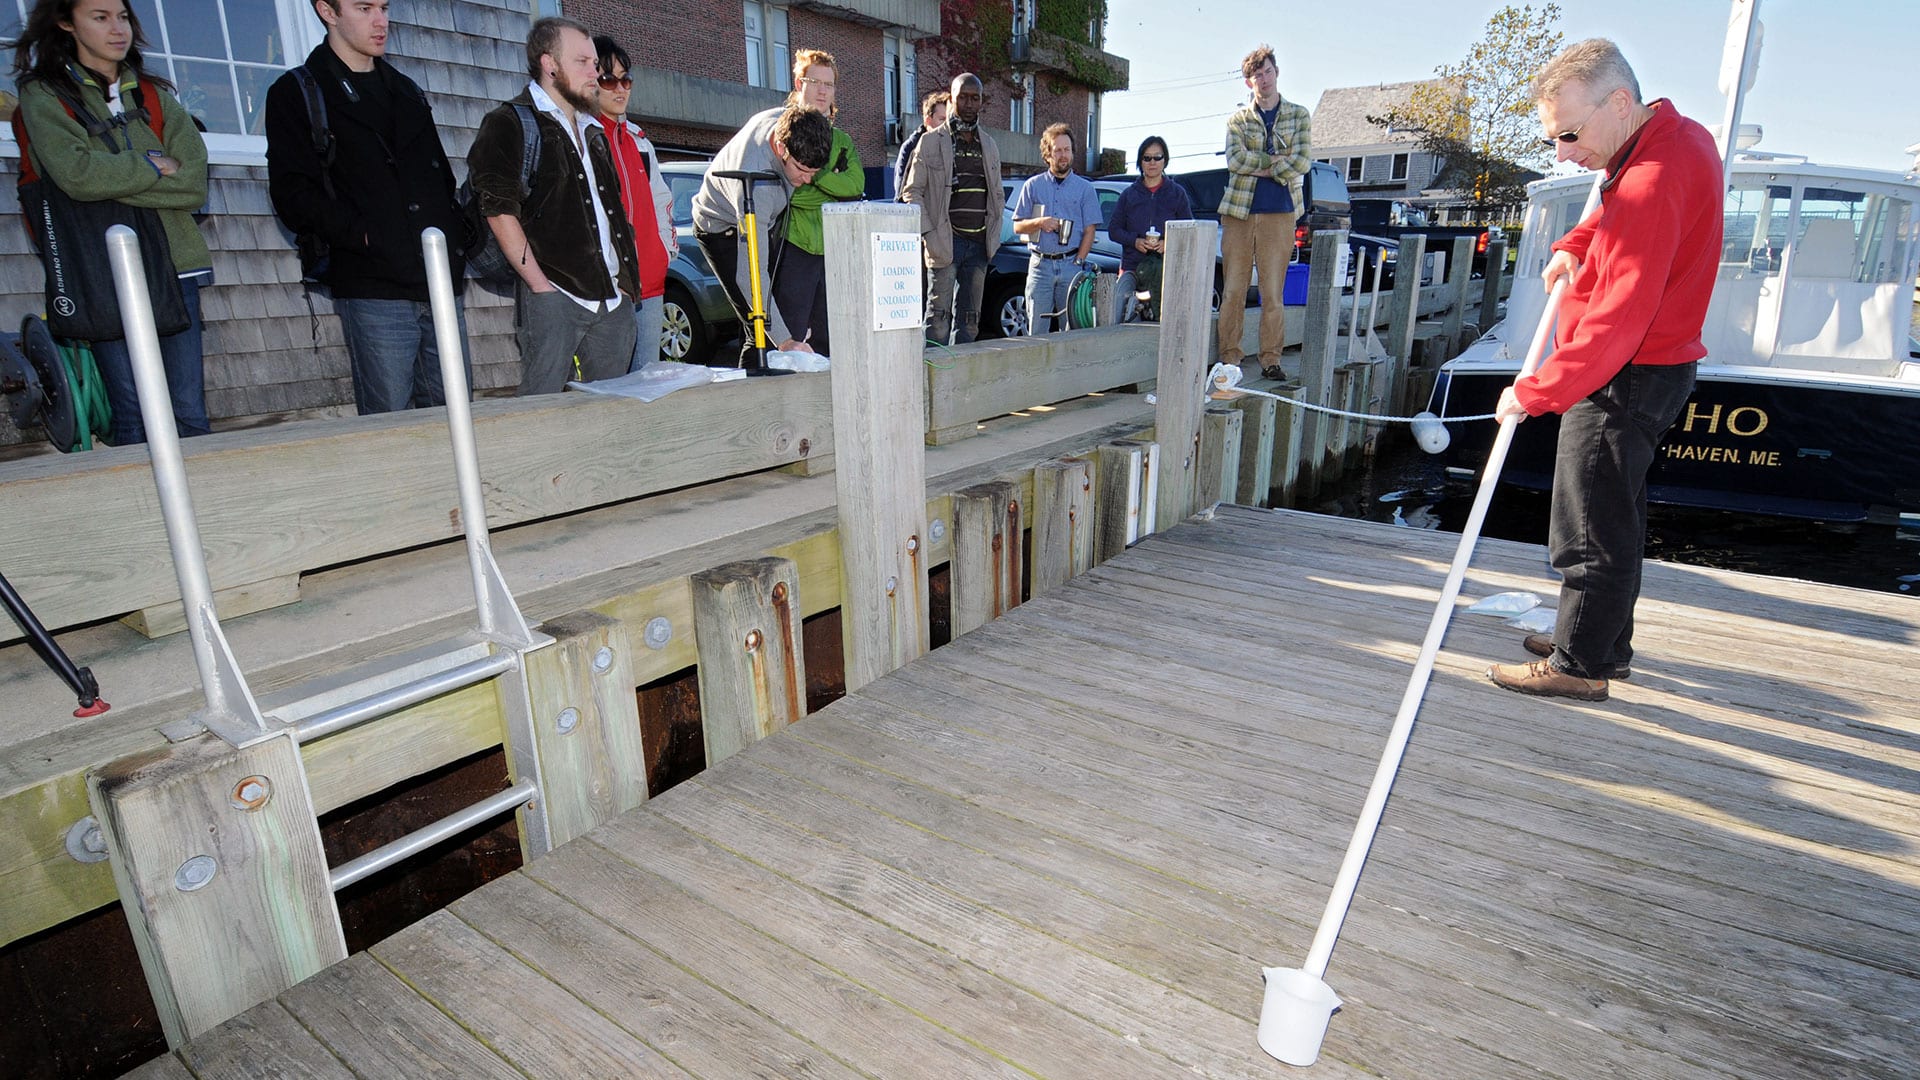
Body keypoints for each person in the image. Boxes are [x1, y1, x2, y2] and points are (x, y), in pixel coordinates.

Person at [1485, 38, 1722, 702]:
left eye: (1568, 133)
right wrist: (1572, 245)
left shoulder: (1650, 176)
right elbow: (1614, 223)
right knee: (1616, 516)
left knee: (1587, 524)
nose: (1562, 151)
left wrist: (1535, 391)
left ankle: (1579, 664)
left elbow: (1617, 319)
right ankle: (1599, 642)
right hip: (1655, 369)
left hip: (1627, 374)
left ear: (1618, 103)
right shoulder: (1672, 141)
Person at [11, 0, 210, 445]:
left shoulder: (156, 95)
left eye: (122, 16)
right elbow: (76, 175)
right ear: (67, 22)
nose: (117, 28)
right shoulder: (44, 96)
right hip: (102, 275)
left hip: (177, 267)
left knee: (189, 414)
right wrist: (153, 164)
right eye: (99, 17)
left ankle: (212, 513)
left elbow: (194, 182)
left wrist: (111, 175)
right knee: (133, 415)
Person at [265, 0, 470, 415]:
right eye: (364, 8)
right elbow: (292, 193)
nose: (381, 21)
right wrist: (363, 235)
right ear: (327, 11)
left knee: (457, 418)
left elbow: (441, 181)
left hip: (440, 282)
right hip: (373, 285)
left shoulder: (408, 90)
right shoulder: (298, 92)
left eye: (384, 7)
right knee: (389, 425)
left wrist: (458, 234)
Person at [468, 16, 638, 395]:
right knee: (540, 414)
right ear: (549, 65)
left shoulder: (593, 129)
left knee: (611, 420)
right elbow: (497, 209)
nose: (594, 73)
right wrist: (541, 289)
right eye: (582, 62)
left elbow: (611, 212)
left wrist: (624, 289)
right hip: (555, 296)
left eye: (594, 63)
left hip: (612, 302)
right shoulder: (507, 122)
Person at [691, 104, 833, 362]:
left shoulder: (792, 122)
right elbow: (750, 275)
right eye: (802, 171)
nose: (808, 181)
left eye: (814, 173)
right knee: (757, 329)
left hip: (760, 217)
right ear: (781, 148)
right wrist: (784, 341)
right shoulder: (757, 186)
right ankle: (754, 396)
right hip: (719, 227)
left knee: (772, 316)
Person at [1218, 43, 1310, 381]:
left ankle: (1271, 359)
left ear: (1276, 73)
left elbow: (1302, 162)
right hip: (1239, 213)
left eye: (1268, 71)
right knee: (1233, 291)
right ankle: (1230, 358)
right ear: (1248, 83)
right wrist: (1274, 163)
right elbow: (1235, 161)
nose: (1264, 79)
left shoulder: (1298, 115)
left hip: (1281, 213)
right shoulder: (1237, 120)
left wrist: (1259, 166)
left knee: (1273, 293)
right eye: (1257, 75)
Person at [772, 48, 862, 357]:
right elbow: (794, 194)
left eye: (830, 84)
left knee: (829, 338)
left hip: (832, 249)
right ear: (799, 84)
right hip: (793, 245)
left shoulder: (843, 140)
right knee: (790, 340)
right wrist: (830, 180)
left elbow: (855, 187)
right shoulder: (780, 128)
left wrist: (816, 176)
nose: (823, 90)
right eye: (815, 81)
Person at [592, 34, 674, 371]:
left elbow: (660, 198)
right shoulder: (584, 137)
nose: (620, 88)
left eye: (626, 79)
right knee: (611, 385)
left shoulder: (639, 139)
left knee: (648, 379)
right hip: (611, 287)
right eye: (609, 80)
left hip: (651, 282)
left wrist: (665, 252)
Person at [902, 72, 1001, 347]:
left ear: (981, 101)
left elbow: (997, 195)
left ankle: (961, 385)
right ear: (952, 98)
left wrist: (993, 234)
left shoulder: (990, 145)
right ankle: (932, 384)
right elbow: (911, 191)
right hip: (945, 242)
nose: (969, 104)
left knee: (970, 322)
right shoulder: (931, 141)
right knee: (937, 320)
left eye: (975, 98)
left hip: (980, 244)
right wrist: (929, 233)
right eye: (962, 97)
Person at [1010, 122, 1100, 336]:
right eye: (1057, 150)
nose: (1063, 155)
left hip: (1071, 266)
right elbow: (1017, 226)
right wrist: (1039, 223)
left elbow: (1090, 230)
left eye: (1067, 150)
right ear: (1048, 154)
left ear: (1072, 153)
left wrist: (1078, 261)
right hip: (1039, 267)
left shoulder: (1085, 189)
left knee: (1070, 332)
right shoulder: (1032, 186)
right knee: (1036, 332)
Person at [1106, 134, 1192, 320]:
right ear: (1140, 162)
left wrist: (1168, 244)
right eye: (1147, 158)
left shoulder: (1177, 194)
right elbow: (1114, 230)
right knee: (1127, 323)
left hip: (1167, 272)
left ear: (1165, 160)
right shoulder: (1128, 195)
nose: (1152, 162)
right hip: (1132, 270)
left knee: (1163, 322)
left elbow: (1189, 230)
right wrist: (1134, 241)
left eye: (1157, 157)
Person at [893, 88, 947, 198]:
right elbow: (902, 194)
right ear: (928, 120)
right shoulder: (911, 148)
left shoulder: (953, 147)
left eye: (948, 121)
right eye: (942, 120)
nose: (946, 126)